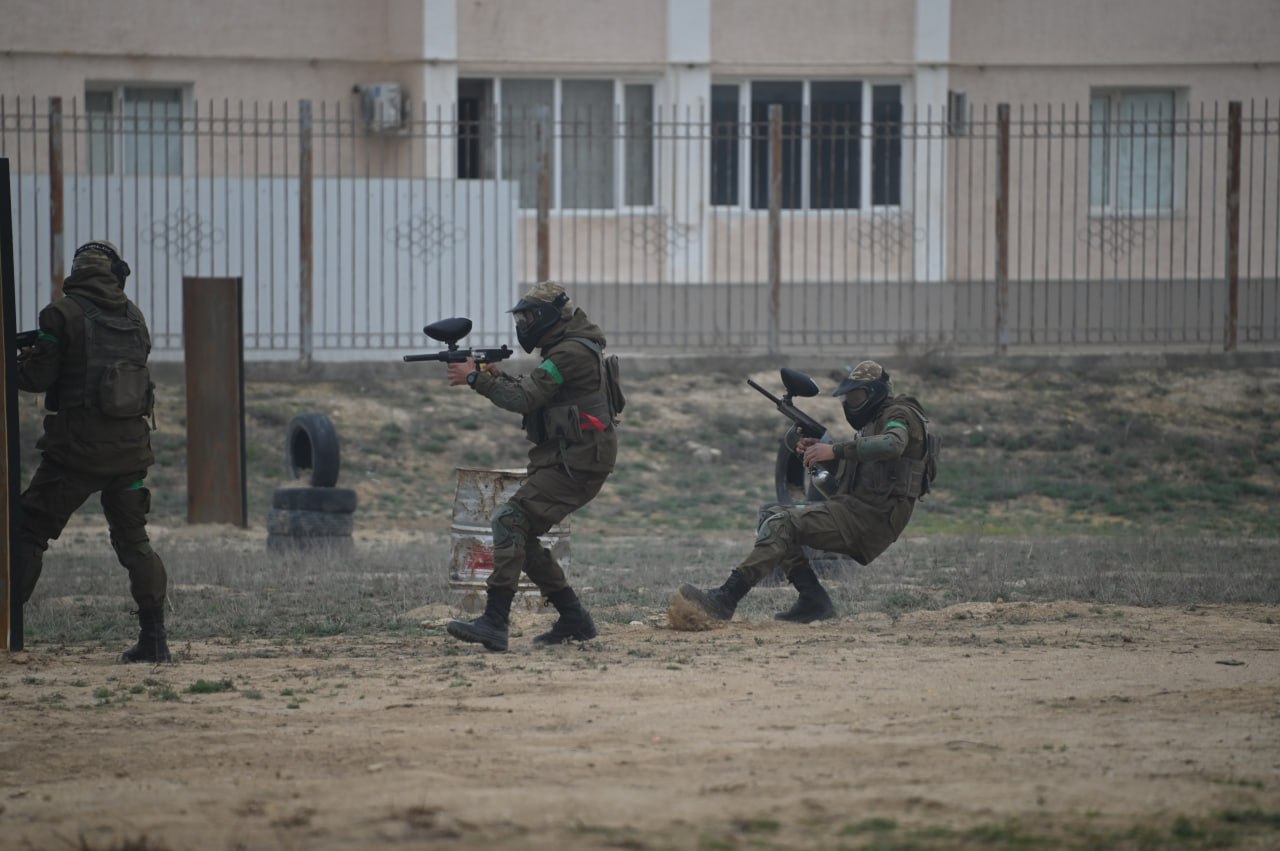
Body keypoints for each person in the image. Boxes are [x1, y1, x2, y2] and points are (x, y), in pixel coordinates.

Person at [676, 360, 934, 624]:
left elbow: (893, 445)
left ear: (876, 393)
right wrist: (820, 454)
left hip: (874, 518)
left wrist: (834, 450)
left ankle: (726, 598)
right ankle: (813, 600)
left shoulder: (901, 414)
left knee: (783, 523)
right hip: (855, 509)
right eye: (850, 398)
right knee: (772, 515)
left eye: (858, 397)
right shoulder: (872, 424)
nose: (852, 404)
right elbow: (856, 472)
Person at [15, 240, 171, 663]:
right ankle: (155, 638)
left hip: (76, 454)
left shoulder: (60, 314)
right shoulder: (134, 317)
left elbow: (37, 377)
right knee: (134, 541)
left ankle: (6, 624)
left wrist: (18, 363)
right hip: (129, 452)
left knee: (29, 529)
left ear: (78, 271)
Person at [444, 281, 618, 651]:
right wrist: (494, 377)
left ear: (548, 317)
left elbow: (525, 399)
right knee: (519, 532)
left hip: (579, 461)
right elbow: (536, 394)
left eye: (527, 317)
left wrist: (476, 378)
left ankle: (494, 621)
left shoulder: (570, 352)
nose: (522, 324)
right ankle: (574, 619)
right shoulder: (567, 348)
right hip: (568, 457)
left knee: (509, 520)